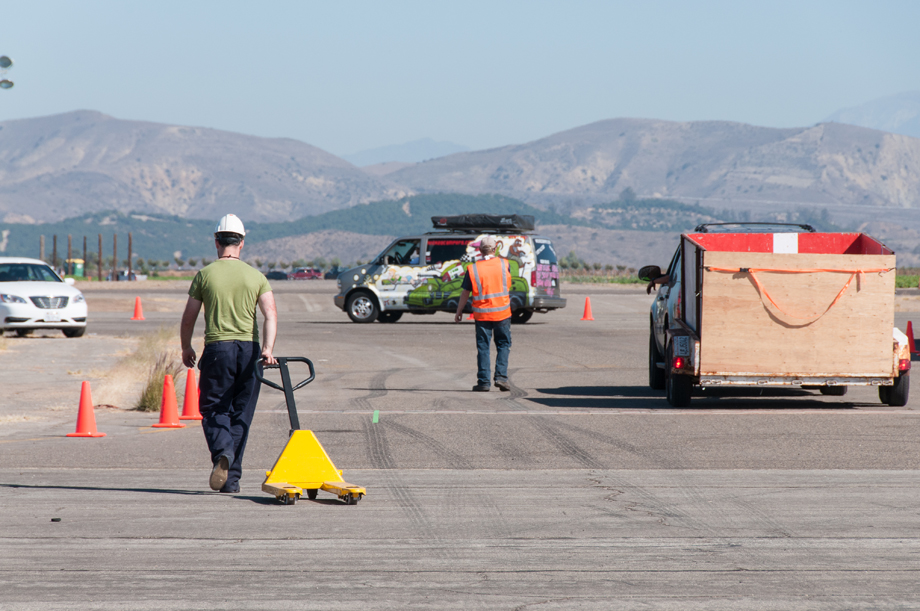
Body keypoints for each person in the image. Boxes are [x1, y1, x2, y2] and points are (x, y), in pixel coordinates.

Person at [180, 214, 278, 493]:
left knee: (213, 409)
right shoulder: (256, 276)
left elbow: (189, 317)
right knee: (241, 414)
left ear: (216, 241)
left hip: (217, 349)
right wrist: (268, 349)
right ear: (242, 243)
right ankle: (231, 480)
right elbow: (270, 315)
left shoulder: (205, 275)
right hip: (250, 350)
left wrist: (186, 346)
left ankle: (223, 451)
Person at [453, 235, 512, 392]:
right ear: (495, 249)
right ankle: (501, 378)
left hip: (482, 315)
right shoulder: (504, 264)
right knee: (503, 344)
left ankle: (484, 382)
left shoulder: (473, 269)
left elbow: (465, 293)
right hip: (502, 313)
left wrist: (459, 311)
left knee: (483, 347)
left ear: (479, 250)